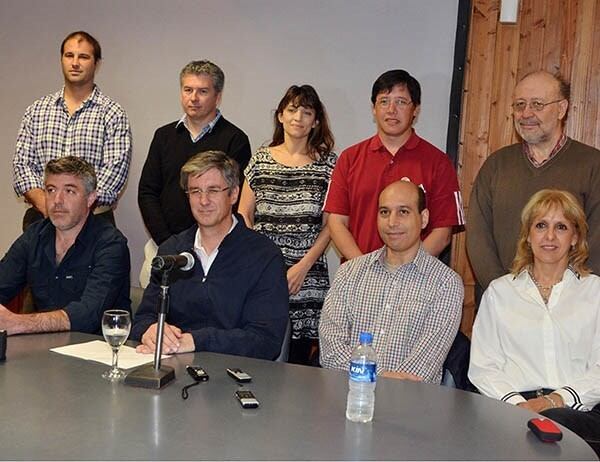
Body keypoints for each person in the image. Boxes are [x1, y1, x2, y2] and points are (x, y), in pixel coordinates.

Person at [468, 189, 600, 456]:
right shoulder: (500, 292)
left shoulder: (595, 292)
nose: (549, 236)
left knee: (551, 429)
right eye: (541, 225)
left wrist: (553, 401)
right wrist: (518, 407)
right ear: (528, 235)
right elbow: (483, 367)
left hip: (580, 413)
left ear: (575, 238)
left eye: (561, 227)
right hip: (510, 407)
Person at [131, 151, 289, 360]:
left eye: (213, 190)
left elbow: (265, 341)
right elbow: (143, 317)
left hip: (236, 378)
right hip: (173, 368)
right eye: (195, 191)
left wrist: (196, 341)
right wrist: (150, 330)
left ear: (233, 194)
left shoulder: (264, 256)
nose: (203, 201)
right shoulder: (172, 250)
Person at [467, 70, 600, 292]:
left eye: (537, 104)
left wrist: (562, 296)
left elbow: (597, 244)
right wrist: (505, 293)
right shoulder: (496, 165)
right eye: (519, 105)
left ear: (561, 109)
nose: (526, 113)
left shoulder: (593, 165)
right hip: (502, 305)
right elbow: (478, 239)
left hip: (569, 309)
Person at [319, 180, 463, 383]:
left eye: (403, 212)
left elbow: (421, 369)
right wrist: (380, 376)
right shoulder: (349, 274)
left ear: (423, 218)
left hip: (410, 407)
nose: (392, 222)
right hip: (347, 398)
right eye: (384, 212)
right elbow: (330, 352)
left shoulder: (446, 284)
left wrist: (369, 376)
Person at [238, 85, 336, 366]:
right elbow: (244, 212)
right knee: (261, 354)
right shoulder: (260, 159)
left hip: (308, 275)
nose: (298, 117)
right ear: (280, 115)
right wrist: (263, 261)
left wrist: (301, 268)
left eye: (307, 112)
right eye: (292, 110)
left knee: (300, 362)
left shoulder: (329, 164)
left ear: (316, 121)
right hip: (262, 270)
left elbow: (331, 226)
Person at [324, 69, 464, 260]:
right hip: (358, 278)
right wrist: (363, 269)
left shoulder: (438, 162)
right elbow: (336, 223)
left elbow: (443, 233)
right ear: (374, 108)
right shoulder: (349, 159)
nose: (391, 110)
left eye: (401, 102)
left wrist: (405, 271)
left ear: (415, 109)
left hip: (415, 283)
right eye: (384, 101)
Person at [138, 60, 251, 287]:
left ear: (217, 96)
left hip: (214, 250)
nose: (193, 98)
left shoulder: (235, 139)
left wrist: (198, 242)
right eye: (188, 90)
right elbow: (147, 192)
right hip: (164, 245)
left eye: (202, 91)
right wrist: (169, 243)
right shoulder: (164, 136)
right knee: (154, 308)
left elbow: (233, 199)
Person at [13, 31, 132, 229]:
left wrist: (72, 209)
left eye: (83, 57)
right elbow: (22, 166)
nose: (75, 63)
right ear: (61, 60)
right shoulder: (36, 110)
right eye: (69, 55)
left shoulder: (113, 114)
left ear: (96, 63)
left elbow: (112, 176)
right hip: (40, 219)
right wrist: (49, 205)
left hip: (94, 222)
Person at [0, 156, 131, 335]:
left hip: (96, 351)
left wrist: (20, 323)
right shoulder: (34, 236)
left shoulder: (111, 244)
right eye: (51, 190)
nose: (57, 200)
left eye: (69, 191)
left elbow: (88, 314)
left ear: (90, 198)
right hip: (43, 349)